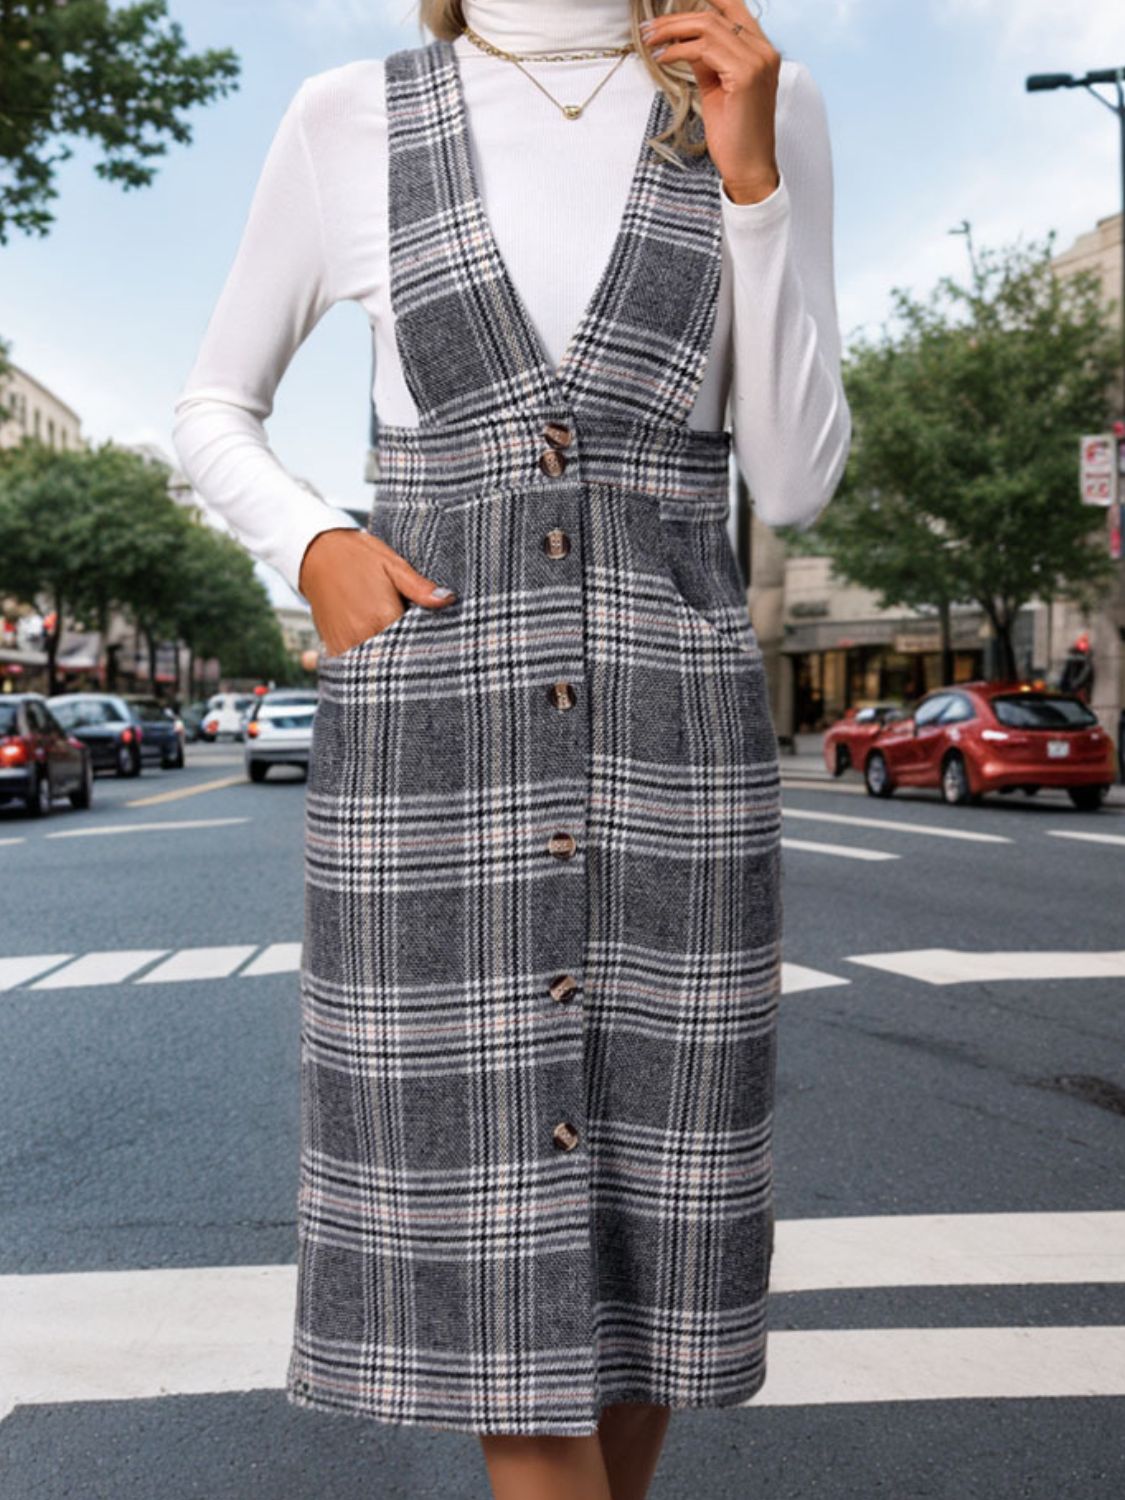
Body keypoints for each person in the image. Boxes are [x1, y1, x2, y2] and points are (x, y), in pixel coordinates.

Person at [171, 2, 851, 1495]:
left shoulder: (752, 96)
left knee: (650, 1260)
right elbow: (210, 408)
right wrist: (313, 540)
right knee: (495, 1280)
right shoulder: (347, 115)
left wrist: (750, 179)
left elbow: (792, 478)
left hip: (675, 743)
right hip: (435, 739)